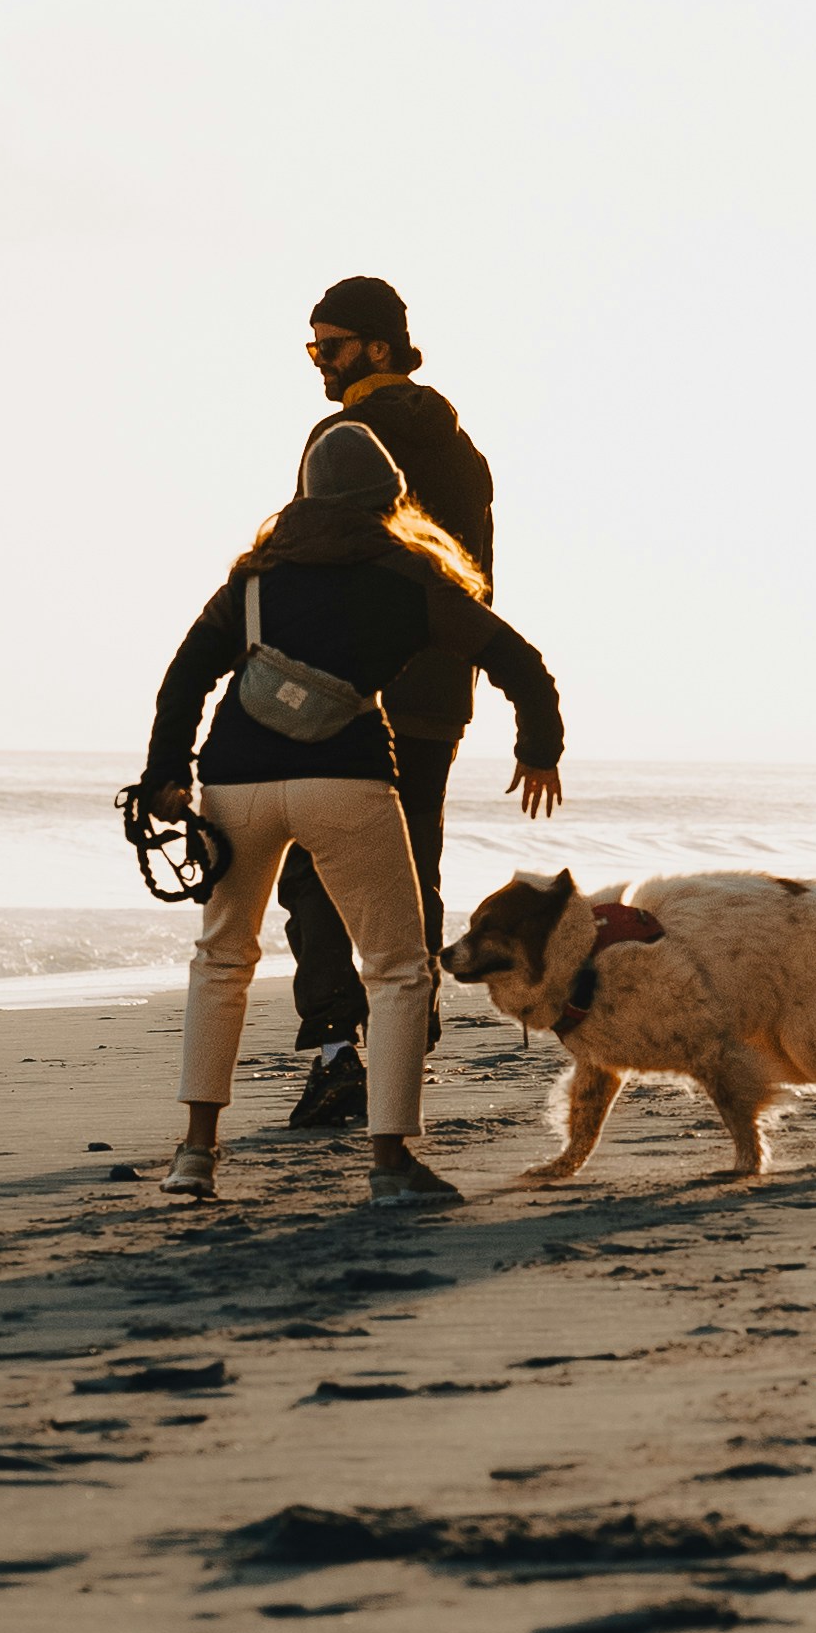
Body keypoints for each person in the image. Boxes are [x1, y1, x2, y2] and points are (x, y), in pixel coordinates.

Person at [137, 420, 565, 1209]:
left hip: (237, 782)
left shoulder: (255, 580)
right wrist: (540, 746)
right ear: (389, 498)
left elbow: (185, 676)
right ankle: (391, 1163)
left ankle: (195, 1154)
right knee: (398, 967)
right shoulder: (409, 578)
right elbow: (517, 660)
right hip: (347, 778)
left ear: (304, 495)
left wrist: (166, 773)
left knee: (222, 959)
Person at [280, 276, 498, 1128]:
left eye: (327, 348)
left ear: (376, 347)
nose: (318, 366)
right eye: (312, 349)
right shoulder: (463, 450)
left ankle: (339, 1050)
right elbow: (477, 575)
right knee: (413, 868)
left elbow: (310, 559)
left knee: (315, 867)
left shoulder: (342, 437)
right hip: (440, 689)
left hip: (349, 687)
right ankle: (410, 1035)